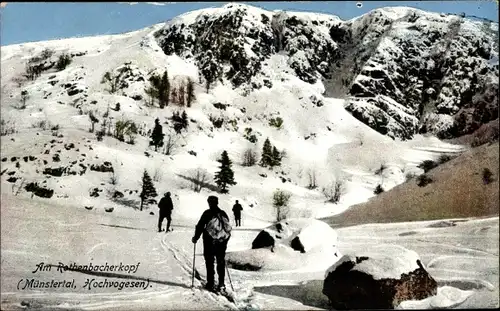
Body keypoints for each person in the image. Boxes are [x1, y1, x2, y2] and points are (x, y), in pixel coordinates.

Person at [192, 196, 232, 293]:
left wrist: (195, 238)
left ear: (209, 203)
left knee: (209, 261)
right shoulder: (223, 213)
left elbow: (200, 226)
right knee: (220, 262)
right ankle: (221, 284)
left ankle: (210, 283)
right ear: (217, 203)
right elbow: (226, 228)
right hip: (222, 242)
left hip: (209, 241)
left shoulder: (207, 213)